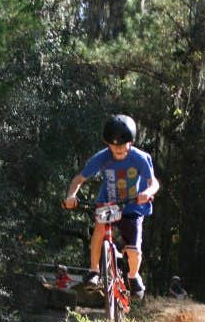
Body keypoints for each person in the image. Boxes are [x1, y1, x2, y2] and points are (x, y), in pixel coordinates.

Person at [63, 113, 159, 299]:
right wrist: (71, 196)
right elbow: (79, 179)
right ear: (108, 144)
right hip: (109, 204)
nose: (119, 151)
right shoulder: (102, 157)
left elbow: (153, 182)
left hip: (132, 207)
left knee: (134, 248)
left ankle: (133, 275)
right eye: (114, 147)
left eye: (123, 147)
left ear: (131, 142)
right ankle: (94, 271)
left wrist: (147, 193)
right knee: (99, 228)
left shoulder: (140, 158)